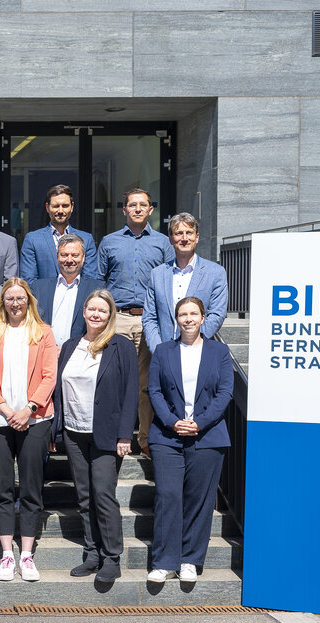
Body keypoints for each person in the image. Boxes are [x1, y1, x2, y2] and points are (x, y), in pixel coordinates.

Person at [146, 297, 234, 584]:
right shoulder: (162, 351)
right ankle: (164, 560)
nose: (188, 319)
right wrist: (173, 422)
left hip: (207, 436)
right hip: (167, 436)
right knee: (168, 496)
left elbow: (225, 393)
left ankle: (189, 560)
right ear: (176, 319)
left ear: (203, 317)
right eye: (182, 314)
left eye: (193, 313)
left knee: (199, 500)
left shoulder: (219, 351)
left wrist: (200, 422)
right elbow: (154, 391)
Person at [54, 289, 139, 584]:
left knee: (104, 495)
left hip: (107, 433)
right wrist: (57, 429)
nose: (96, 314)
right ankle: (92, 553)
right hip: (74, 433)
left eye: (102, 310)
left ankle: (112, 557)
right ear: (84, 311)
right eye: (92, 309)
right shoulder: (69, 346)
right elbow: (59, 390)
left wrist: (125, 435)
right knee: (84, 495)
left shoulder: (122, 347)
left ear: (110, 314)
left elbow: (131, 394)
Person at [0, 278, 57, 583]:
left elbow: (49, 377)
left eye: (20, 298)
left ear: (28, 301)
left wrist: (29, 409)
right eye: (9, 299)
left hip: (35, 420)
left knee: (31, 488)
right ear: (3, 303)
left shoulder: (44, 333)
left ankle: (27, 554)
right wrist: (9, 411)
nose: (15, 303)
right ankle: (7, 553)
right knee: (1, 488)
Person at [96, 188, 176, 456]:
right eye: (133, 205)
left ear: (151, 210)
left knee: (145, 383)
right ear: (125, 209)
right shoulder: (109, 242)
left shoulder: (164, 243)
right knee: (113, 381)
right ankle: (112, 437)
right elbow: (99, 280)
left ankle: (144, 438)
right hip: (116, 318)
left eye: (143, 205)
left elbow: (170, 282)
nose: (138, 209)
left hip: (148, 320)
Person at [142, 212, 228, 353]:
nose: (184, 238)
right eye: (178, 233)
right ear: (170, 239)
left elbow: (217, 314)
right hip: (164, 351)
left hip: (199, 351)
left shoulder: (215, 273)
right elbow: (149, 318)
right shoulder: (157, 274)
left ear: (197, 237)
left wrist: (192, 344)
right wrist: (159, 350)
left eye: (189, 233)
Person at [32, 234, 106, 350]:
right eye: (64, 255)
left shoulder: (96, 289)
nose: (69, 260)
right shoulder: (38, 288)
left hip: (81, 354)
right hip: (45, 354)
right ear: (57, 257)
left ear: (83, 257)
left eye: (75, 255)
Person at [19, 184, 98, 283]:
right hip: (43, 297)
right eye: (56, 206)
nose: (60, 211)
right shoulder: (32, 240)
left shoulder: (86, 239)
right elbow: (28, 281)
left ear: (72, 207)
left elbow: (90, 279)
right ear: (47, 208)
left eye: (65, 206)